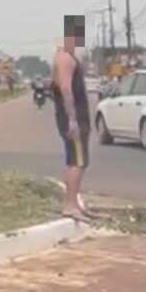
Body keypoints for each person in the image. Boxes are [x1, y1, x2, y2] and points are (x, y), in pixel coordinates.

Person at [51, 15, 93, 222]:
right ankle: (70, 205)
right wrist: (73, 119)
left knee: (75, 160)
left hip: (74, 116)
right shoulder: (65, 57)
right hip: (72, 117)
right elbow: (66, 89)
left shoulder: (65, 56)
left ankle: (73, 202)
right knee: (78, 160)